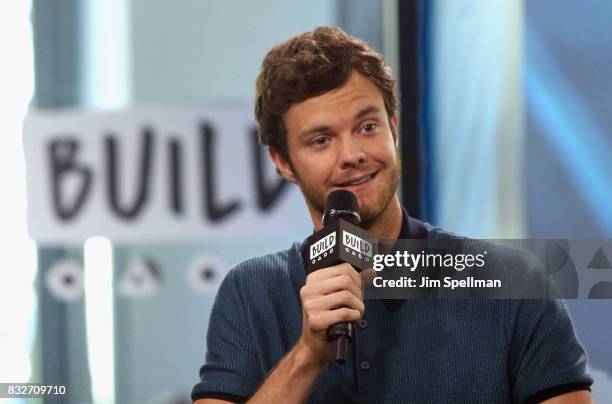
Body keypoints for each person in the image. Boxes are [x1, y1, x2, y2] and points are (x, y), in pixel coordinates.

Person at [192, 26, 593, 403]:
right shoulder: (251, 292)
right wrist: (307, 357)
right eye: (320, 140)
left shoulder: (514, 283)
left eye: (367, 127)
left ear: (394, 127)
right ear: (282, 162)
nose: (352, 155)